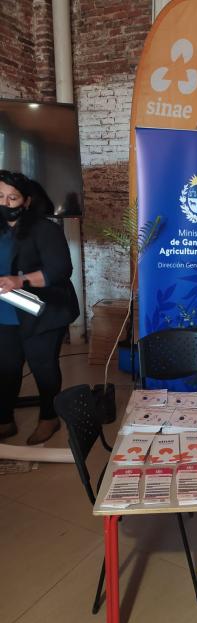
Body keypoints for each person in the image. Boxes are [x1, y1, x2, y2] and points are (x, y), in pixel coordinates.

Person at [0, 171, 79, 444]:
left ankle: (49, 417)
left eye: (13, 197)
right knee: (6, 369)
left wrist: (20, 280)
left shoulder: (45, 229)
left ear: (27, 201)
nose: (5, 203)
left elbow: (60, 270)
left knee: (43, 367)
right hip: (4, 313)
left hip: (42, 311)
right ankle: (5, 420)